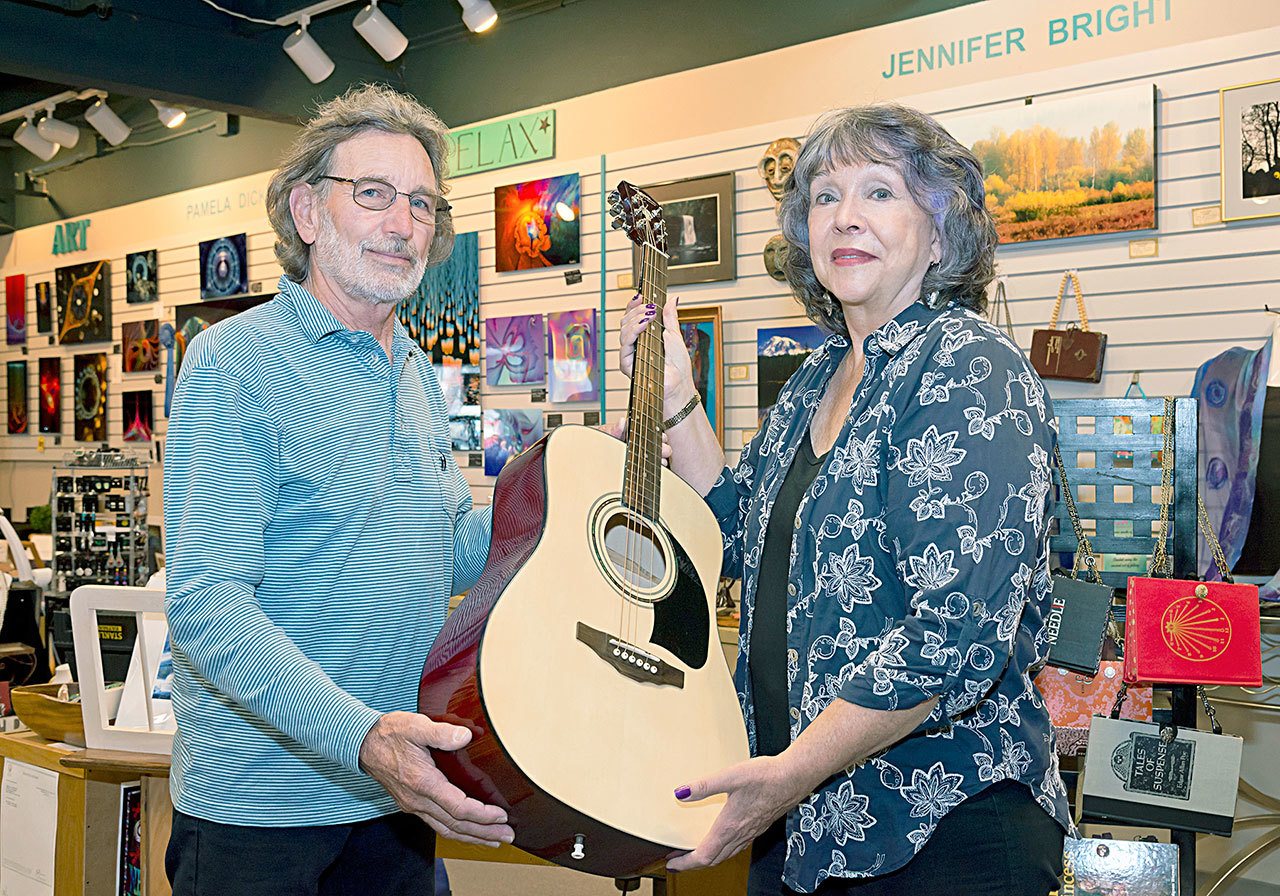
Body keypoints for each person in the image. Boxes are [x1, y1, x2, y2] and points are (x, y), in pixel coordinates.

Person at [619, 103, 1071, 895]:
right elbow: (734, 534)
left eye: (880, 192)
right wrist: (679, 393)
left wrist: (787, 774)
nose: (846, 217)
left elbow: (952, 639)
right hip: (803, 823)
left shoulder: (968, 366)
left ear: (941, 233)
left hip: (944, 833)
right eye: (825, 197)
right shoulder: (814, 381)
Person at [163, 84, 514, 896]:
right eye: (375, 194)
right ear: (308, 212)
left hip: (397, 788)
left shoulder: (419, 373)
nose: (403, 224)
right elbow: (208, 602)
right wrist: (362, 738)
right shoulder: (232, 361)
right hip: (261, 813)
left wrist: (550, 493)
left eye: (422, 204)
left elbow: (451, 548)